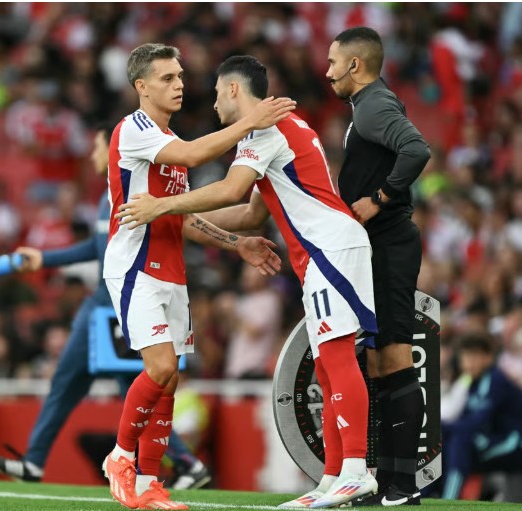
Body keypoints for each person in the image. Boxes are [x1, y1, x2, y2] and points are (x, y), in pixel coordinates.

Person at [118, 54, 378, 509]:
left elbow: (230, 189)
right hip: (321, 252)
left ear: (234, 89)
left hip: (330, 248)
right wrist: (184, 221)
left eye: (217, 92)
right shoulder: (278, 131)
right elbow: (250, 213)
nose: (214, 102)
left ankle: (356, 471)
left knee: (337, 358)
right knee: (324, 365)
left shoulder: (265, 131)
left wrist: (162, 205)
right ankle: (332, 478)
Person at [0, 123, 271, 489]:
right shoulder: (107, 196)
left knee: (138, 382)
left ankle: (180, 462)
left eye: (97, 146)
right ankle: (36, 461)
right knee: (71, 382)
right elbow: (97, 248)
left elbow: (172, 224)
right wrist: (44, 259)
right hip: (101, 306)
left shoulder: (133, 186)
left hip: (124, 299)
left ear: (113, 148)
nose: (92, 154)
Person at [102, 44, 294, 510]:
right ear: (141, 86)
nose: (179, 84)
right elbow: (191, 155)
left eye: (181, 76)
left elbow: (184, 219)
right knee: (160, 367)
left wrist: (237, 243)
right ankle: (120, 457)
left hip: (171, 271)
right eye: (167, 78)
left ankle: (149, 485)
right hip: (134, 266)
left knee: (170, 381)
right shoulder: (135, 130)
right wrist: (249, 121)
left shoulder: (167, 141)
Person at [325, 27, 431, 506]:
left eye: (333, 62)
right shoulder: (366, 106)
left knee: (395, 359)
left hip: (389, 244)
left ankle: (404, 485)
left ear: (355, 65)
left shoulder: (372, 105)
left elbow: (417, 149)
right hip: (379, 246)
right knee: (377, 362)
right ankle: (386, 483)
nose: (328, 71)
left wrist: (379, 198)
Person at [440, 334, 522, 502]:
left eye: (474, 356)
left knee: (461, 442)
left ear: (488, 357)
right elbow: (466, 419)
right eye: (465, 357)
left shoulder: (495, 380)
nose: (469, 362)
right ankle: (428, 495)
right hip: (501, 440)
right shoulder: (471, 382)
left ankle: (448, 501)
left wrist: (440, 427)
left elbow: (477, 422)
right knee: (449, 442)